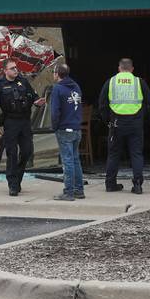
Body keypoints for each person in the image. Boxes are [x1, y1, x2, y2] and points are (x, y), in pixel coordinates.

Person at [99, 57, 150, 194]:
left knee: (113, 154)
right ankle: (137, 185)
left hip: (116, 123)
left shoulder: (111, 82)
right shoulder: (138, 82)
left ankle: (110, 184)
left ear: (119, 68)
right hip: (135, 123)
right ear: (132, 69)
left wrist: (108, 121)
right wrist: (143, 118)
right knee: (136, 154)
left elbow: (102, 104)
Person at [0, 60, 43, 196]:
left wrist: (37, 102)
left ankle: (17, 178)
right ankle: (12, 185)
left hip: (25, 121)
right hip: (10, 122)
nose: (15, 70)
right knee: (12, 154)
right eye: (12, 68)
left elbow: (33, 96)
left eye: (16, 67)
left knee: (27, 151)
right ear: (5, 71)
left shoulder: (23, 81)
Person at [48, 60, 84, 201]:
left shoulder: (57, 88)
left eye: (54, 72)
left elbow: (55, 111)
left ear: (57, 74)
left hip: (64, 129)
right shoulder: (76, 86)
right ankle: (79, 190)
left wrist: (55, 126)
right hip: (76, 128)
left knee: (67, 161)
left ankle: (68, 192)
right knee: (75, 160)